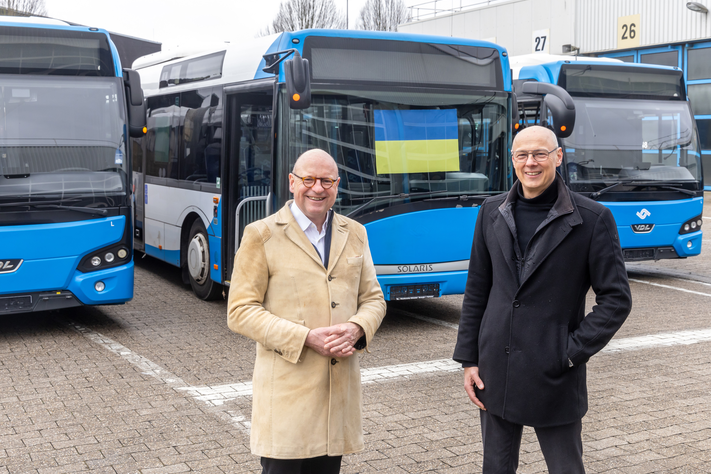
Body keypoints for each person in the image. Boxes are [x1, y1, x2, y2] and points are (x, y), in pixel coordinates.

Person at [454, 125, 632, 473]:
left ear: (558, 157)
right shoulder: (491, 212)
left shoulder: (592, 219)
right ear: (512, 161)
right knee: (496, 467)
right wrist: (468, 358)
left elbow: (616, 299)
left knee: (566, 467)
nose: (531, 163)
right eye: (522, 155)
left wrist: (569, 352)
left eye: (540, 154)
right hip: (496, 370)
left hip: (554, 374)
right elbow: (478, 287)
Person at [227, 148, 386, 474]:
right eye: (308, 179)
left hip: (337, 397)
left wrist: (357, 329)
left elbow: (374, 299)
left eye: (326, 180)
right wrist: (305, 337)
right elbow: (241, 310)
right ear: (291, 182)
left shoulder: (355, 233)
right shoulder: (261, 235)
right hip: (288, 399)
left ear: (337, 185)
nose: (317, 188)